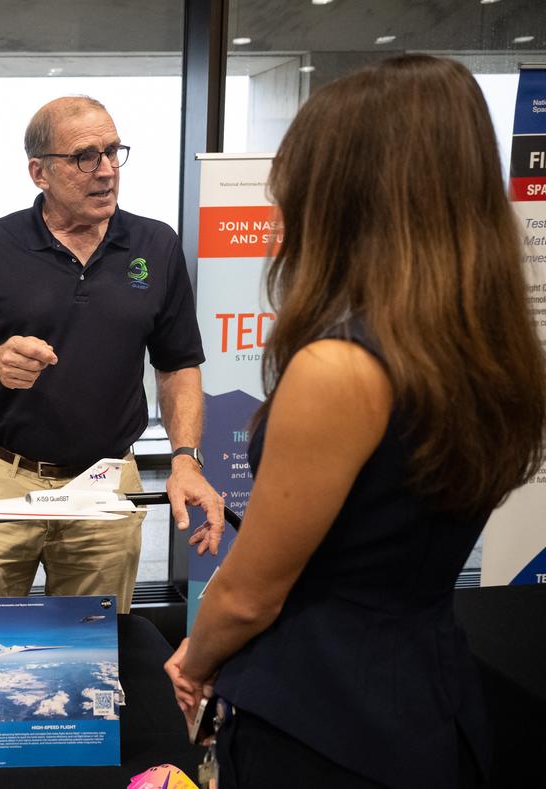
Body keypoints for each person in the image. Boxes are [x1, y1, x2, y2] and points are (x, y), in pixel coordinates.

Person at [163, 55, 546, 788]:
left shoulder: (340, 367)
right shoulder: (483, 351)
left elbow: (249, 593)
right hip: (430, 705)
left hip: (319, 723)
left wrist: (194, 657)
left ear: (344, 192)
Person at [0, 95, 224, 620]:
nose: (107, 171)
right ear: (38, 172)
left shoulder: (154, 245)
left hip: (106, 483)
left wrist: (185, 458)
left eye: (114, 152)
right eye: (85, 156)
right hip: (3, 481)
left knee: (87, 662)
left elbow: (179, 364)